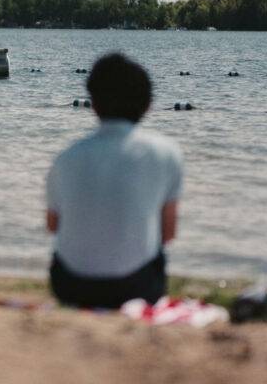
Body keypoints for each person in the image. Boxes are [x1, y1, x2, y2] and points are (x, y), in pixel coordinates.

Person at [45, 53, 183, 309]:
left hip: (71, 286)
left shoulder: (66, 157)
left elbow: (53, 226)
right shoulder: (167, 153)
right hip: (138, 288)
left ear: (93, 104)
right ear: (149, 104)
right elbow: (168, 234)